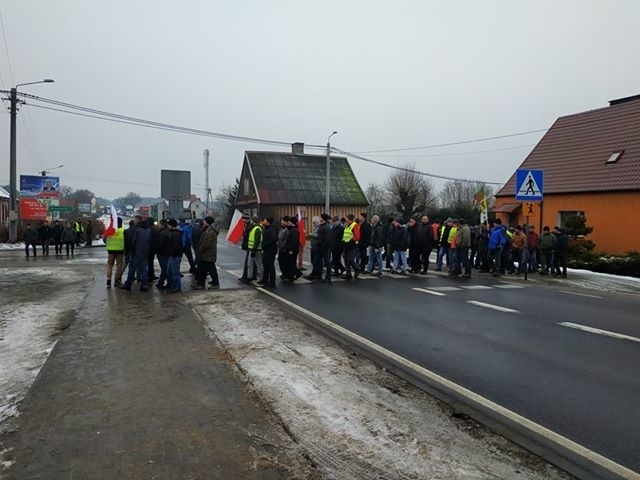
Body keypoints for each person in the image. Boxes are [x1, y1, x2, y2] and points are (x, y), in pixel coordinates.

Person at [191, 216, 220, 289]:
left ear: (207, 223)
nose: (203, 223)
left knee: (210, 269)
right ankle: (201, 283)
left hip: (208, 254)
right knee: (203, 269)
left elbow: (207, 243)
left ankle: (214, 283)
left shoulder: (209, 231)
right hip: (207, 254)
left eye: (204, 222)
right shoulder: (208, 230)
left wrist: (200, 249)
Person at [122, 219, 151, 291]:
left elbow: (133, 241)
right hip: (145, 253)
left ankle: (128, 284)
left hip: (136, 253)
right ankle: (144, 284)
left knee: (132, 269)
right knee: (144, 269)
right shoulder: (148, 231)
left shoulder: (138, 231)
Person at [257, 216, 278, 288]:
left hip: (270, 250)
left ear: (268, 222)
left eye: (265, 220)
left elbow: (273, 239)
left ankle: (272, 282)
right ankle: (265, 279)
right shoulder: (266, 228)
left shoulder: (272, 229)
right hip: (266, 250)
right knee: (265, 265)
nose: (263, 221)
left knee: (270, 266)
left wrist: (265, 244)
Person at [104, 217, 125, 287]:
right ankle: (117, 280)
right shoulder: (123, 231)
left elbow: (104, 240)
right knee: (119, 265)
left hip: (110, 250)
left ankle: (108, 278)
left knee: (110, 264)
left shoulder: (110, 230)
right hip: (120, 250)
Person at [245, 215, 264, 284]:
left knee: (259, 264)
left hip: (256, 250)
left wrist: (254, 250)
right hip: (252, 249)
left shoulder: (257, 229)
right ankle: (249, 277)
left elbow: (257, 241)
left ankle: (261, 278)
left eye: (252, 220)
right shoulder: (253, 228)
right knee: (249, 264)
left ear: (254, 221)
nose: (250, 221)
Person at [341, 213, 360, 280]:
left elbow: (357, 236)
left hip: (352, 245)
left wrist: (350, 242)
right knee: (346, 260)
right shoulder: (347, 225)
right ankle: (348, 274)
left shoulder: (355, 225)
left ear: (349, 219)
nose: (345, 219)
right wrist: (343, 242)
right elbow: (345, 235)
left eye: (346, 218)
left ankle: (357, 269)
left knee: (350, 260)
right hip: (346, 245)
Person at [166, 219, 183, 292]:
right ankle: (173, 285)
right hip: (173, 255)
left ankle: (176, 287)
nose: (168, 226)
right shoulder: (175, 233)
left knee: (175, 272)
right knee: (170, 272)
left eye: (168, 225)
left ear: (171, 225)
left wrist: (170, 252)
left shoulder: (175, 234)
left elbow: (175, 246)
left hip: (175, 256)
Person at [156, 219, 171, 289]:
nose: (157, 225)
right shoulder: (168, 232)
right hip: (167, 253)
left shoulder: (162, 233)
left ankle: (167, 283)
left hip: (163, 254)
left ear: (162, 225)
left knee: (164, 269)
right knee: (165, 269)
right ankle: (161, 282)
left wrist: (157, 250)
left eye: (158, 224)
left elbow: (160, 244)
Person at [238, 214, 252, 282]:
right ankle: (245, 276)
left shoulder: (250, 226)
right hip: (248, 246)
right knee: (248, 263)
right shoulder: (246, 226)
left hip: (250, 247)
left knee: (248, 263)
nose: (242, 221)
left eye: (243, 219)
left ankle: (247, 277)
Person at [277, 216, 291, 280]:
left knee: (285, 263)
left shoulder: (287, 229)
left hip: (284, 249)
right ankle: (284, 274)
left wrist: (285, 247)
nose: (281, 222)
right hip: (281, 248)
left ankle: (287, 274)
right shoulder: (282, 229)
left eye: (282, 221)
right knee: (281, 261)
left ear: (287, 222)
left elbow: (286, 239)